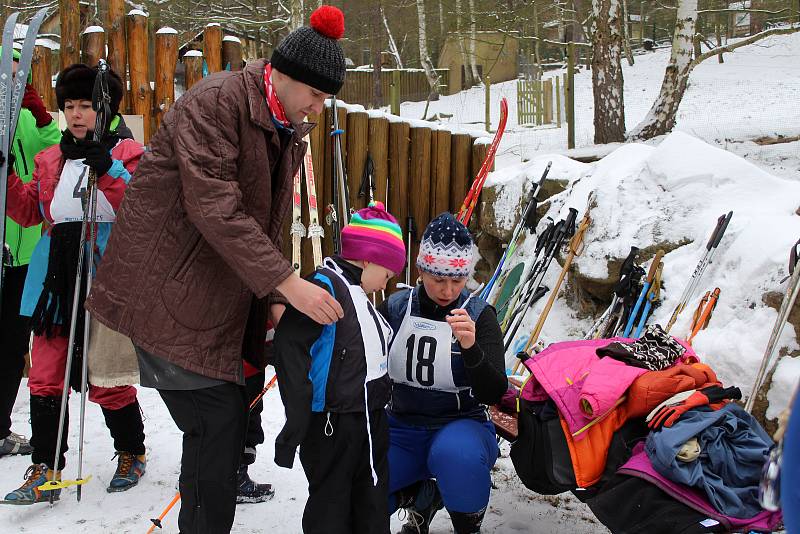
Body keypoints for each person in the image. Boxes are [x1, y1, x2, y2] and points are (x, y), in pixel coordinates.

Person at [84, 6, 347, 533]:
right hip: (167, 289)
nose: (319, 108)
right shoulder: (216, 102)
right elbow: (215, 207)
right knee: (217, 424)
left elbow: (263, 218)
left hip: (213, 292)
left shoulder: (283, 121)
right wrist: (285, 282)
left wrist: (269, 297)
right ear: (285, 77)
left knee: (223, 429)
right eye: (316, 96)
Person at [0, 63, 147, 504]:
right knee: (45, 375)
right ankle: (45, 466)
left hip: (105, 275)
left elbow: (143, 211)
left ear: (103, 110)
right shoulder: (50, 160)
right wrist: (5, 177)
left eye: (85, 105)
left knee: (105, 376)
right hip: (54, 280)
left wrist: (109, 172)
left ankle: (131, 452)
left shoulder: (129, 155)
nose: (77, 114)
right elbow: (29, 211)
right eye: (69, 106)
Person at [273, 201, 405, 534]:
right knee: (331, 509)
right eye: (388, 274)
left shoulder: (361, 295)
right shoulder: (326, 287)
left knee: (372, 504)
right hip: (332, 425)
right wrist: (300, 412)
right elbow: (288, 342)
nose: (387, 284)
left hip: (370, 423)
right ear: (369, 258)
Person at [379, 212, 508, 534]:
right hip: (402, 425)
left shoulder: (479, 314)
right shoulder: (395, 308)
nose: (448, 291)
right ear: (421, 270)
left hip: (461, 425)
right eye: (439, 279)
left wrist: (470, 348)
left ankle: (467, 525)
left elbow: (494, 392)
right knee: (359, 483)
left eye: (457, 280)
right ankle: (420, 496)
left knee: (456, 456)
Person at [0, 47, 61, 458]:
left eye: (21, 77)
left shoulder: (22, 118)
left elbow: (52, 151)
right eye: (10, 76)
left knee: (9, 344)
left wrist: (40, 116)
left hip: (21, 252)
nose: (16, 84)